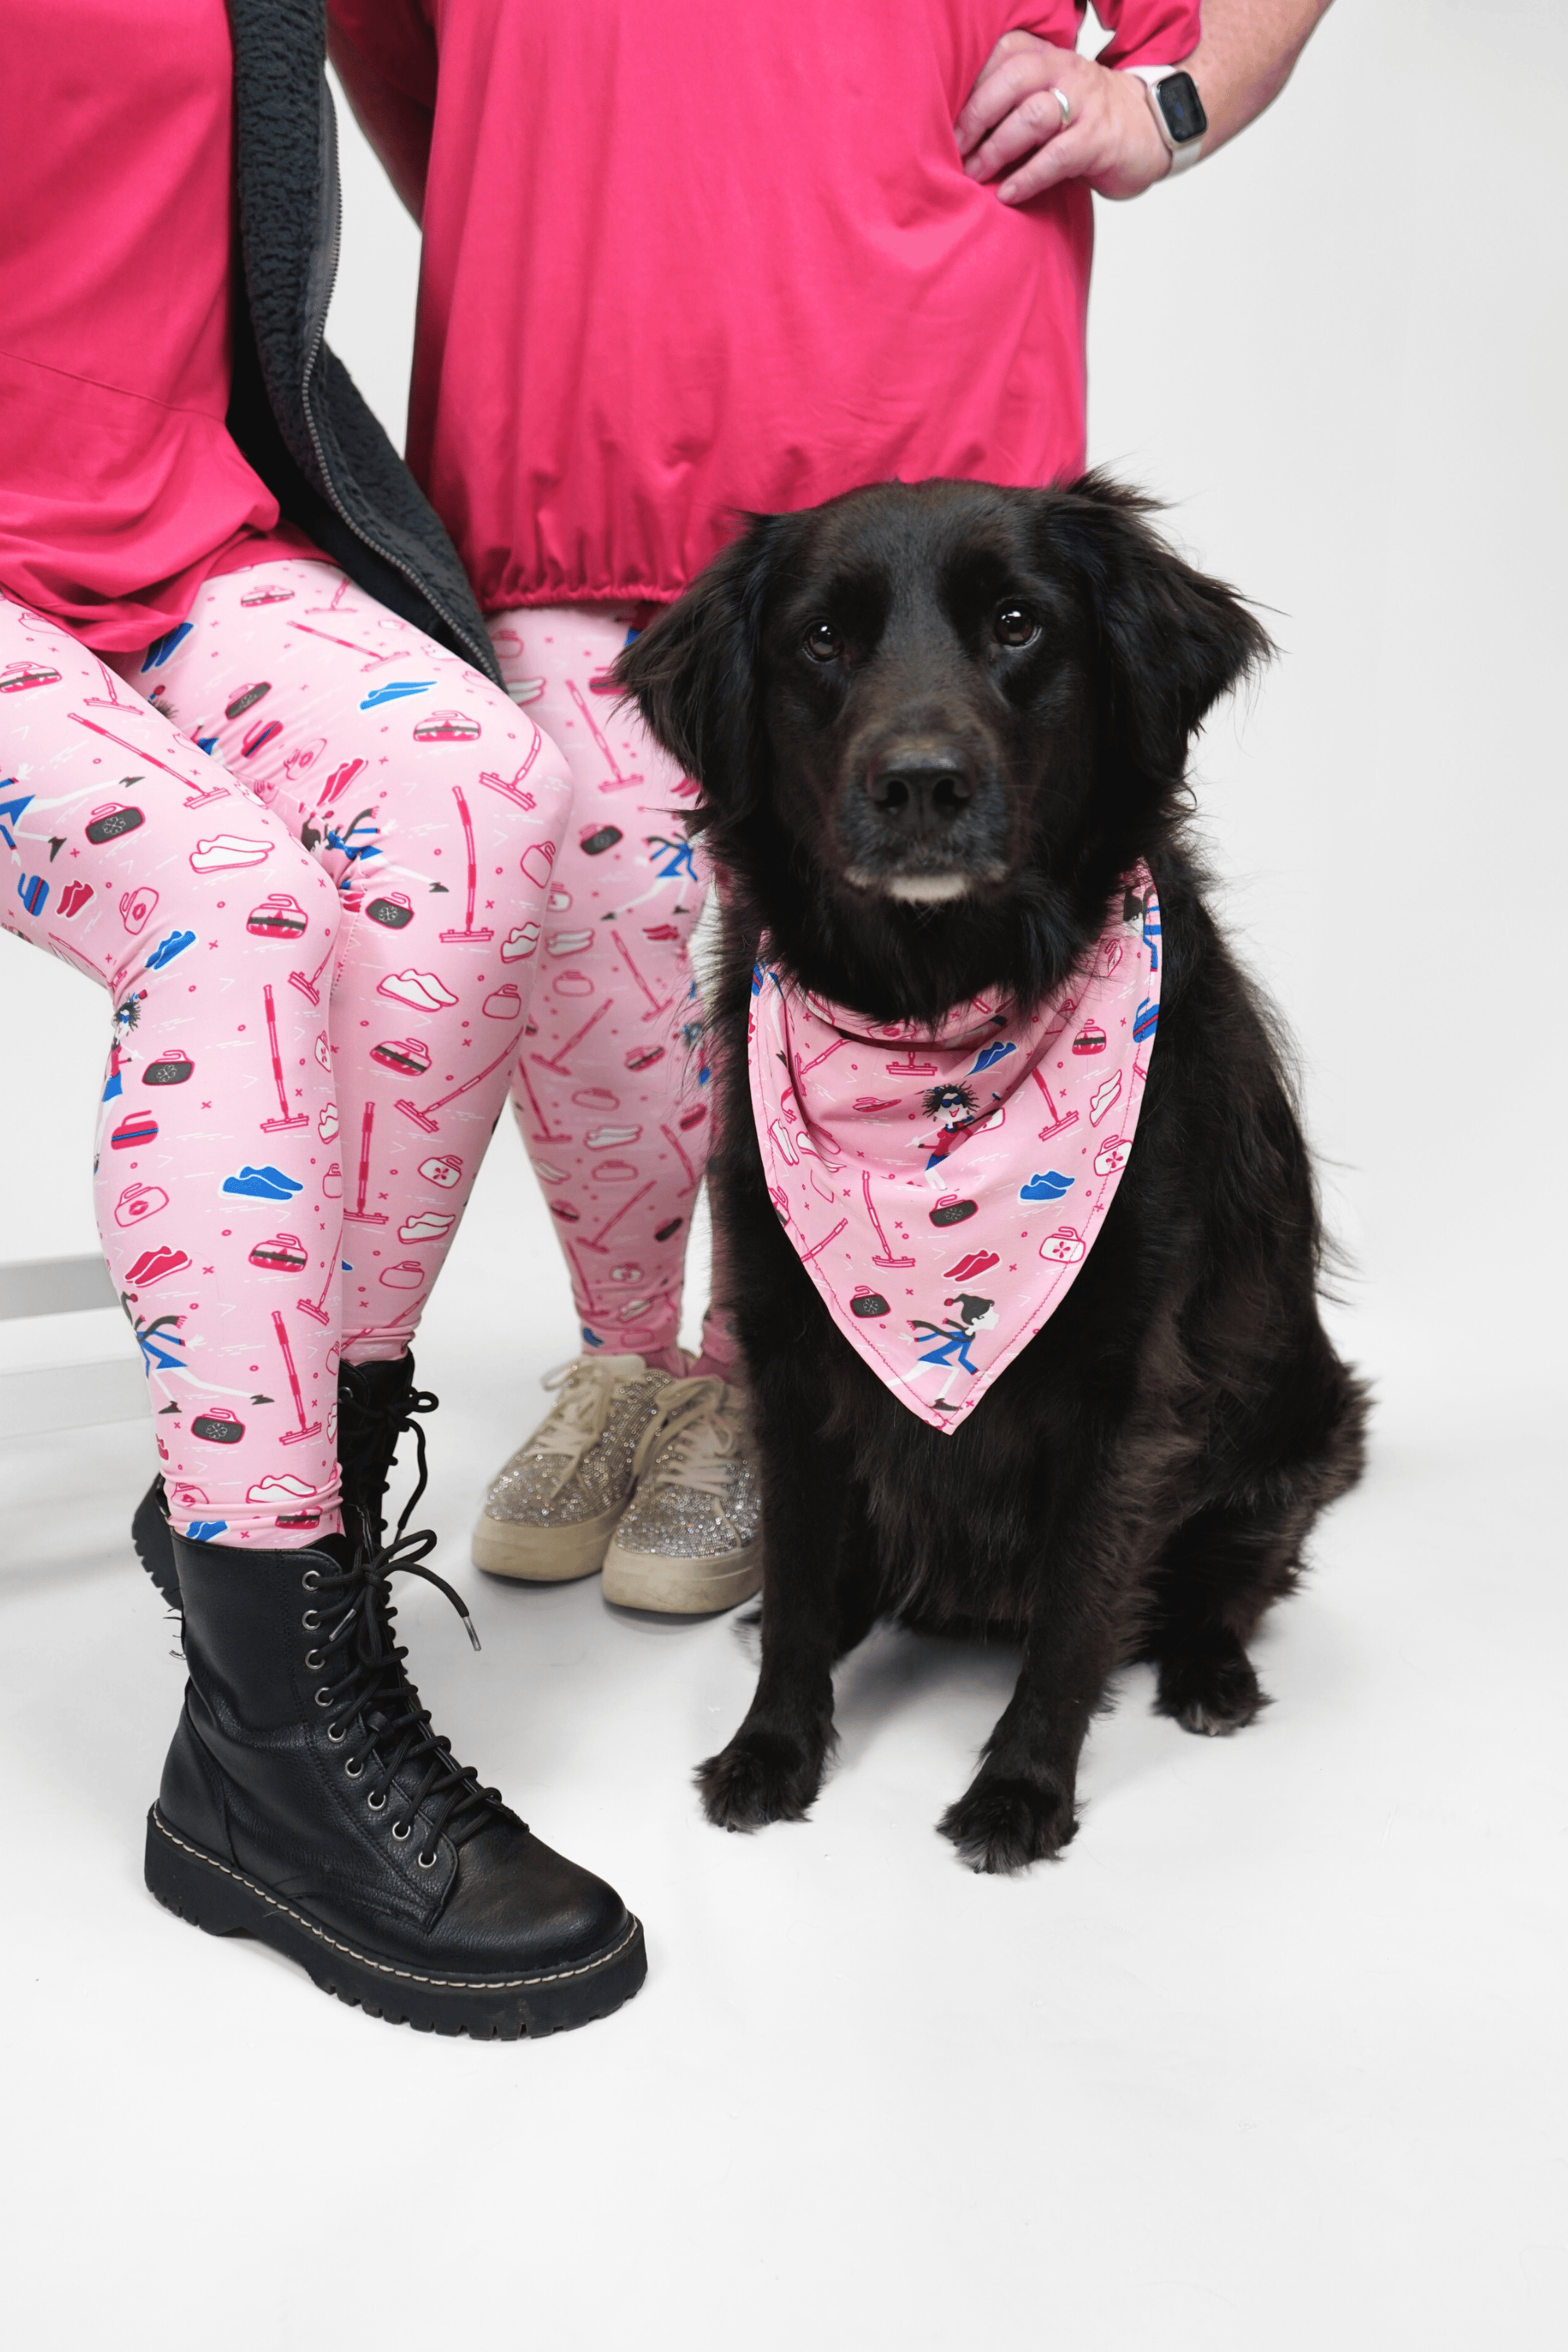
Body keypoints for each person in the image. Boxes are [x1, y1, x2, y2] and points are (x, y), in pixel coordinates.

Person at [325, 0, 1334, 1616]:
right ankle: (626, 1358)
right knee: (582, 936)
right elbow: (395, 51)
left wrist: (1166, 106)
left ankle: (774, 1382)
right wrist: (547, 202)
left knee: (906, 994)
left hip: (912, 405)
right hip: (560, 401)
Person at [0, 0, 644, 2036]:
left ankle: (287, 1537)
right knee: (230, 901)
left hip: (167, 535)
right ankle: (274, 1755)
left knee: (481, 796)